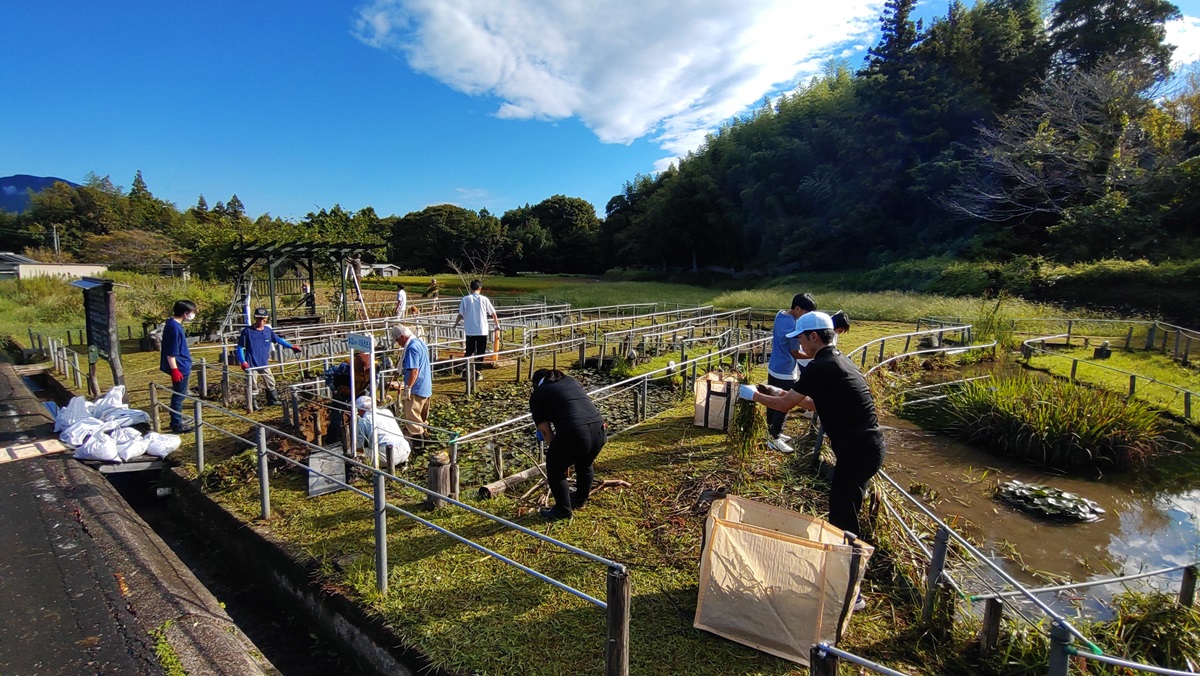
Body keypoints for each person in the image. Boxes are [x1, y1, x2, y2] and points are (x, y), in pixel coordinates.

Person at [739, 311, 885, 538]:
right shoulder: (838, 359)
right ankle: (849, 552)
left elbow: (785, 406)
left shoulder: (820, 366)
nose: (798, 343)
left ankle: (847, 561)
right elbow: (815, 403)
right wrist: (780, 391)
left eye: (801, 338)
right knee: (847, 503)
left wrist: (753, 396)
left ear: (814, 337)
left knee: (842, 513)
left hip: (858, 451)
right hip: (867, 446)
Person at [529, 368, 608, 521]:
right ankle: (580, 499)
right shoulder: (570, 381)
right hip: (599, 429)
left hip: (576, 431)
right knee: (585, 463)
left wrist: (556, 454)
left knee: (554, 468)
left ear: (536, 383)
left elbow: (546, 432)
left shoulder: (538, 394)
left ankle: (563, 510)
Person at [765, 293, 817, 453]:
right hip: (786, 371)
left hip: (773, 366)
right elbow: (795, 352)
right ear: (797, 308)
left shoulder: (780, 315)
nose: (806, 317)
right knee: (785, 404)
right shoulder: (795, 327)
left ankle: (770, 432)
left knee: (771, 400)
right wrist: (814, 355)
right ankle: (775, 437)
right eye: (806, 313)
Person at [237, 307, 301, 406]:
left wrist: (291, 346)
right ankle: (253, 404)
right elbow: (240, 346)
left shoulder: (268, 331)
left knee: (270, 381)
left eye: (263, 319)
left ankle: (272, 400)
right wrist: (242, 361)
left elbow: (278, 340)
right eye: (259, 319)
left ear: (266, 319)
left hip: (264, 362)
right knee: (252, 384)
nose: (261, 321)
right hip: (251, 363)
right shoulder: (247, 331)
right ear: (255, 318)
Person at [389, 325, 432, 447]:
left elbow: (414, 370)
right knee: (421, 420)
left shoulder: (412, 348)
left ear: (402, 337)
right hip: (426, 387)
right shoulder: (419, 342)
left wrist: (408, 387)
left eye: (397, 340)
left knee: (413, 421)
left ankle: (419, 447)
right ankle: (427, 444)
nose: (398, 343)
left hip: (416, 388)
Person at [160, 300, 197, 433]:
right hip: (180, 367)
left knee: (179, 395)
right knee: (179, 396)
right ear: (186, 313)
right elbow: (171, 352)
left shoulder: (173, 324)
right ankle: (177, 423)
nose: (193, 315)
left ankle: (177, 419)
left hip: (182, 364)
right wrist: (175, 369)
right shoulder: (174, 328)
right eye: (192, 313)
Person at [453, 279, 498, 381]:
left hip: (470, 330)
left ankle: (465, 371)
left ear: (470, 288)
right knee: (480, 352)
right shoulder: (484, 299)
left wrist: (456, 324)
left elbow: (460, 314)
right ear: (480, 288)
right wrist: (497, 324)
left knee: (469, 351)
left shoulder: (465, 299)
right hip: (482, 330)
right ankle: (477, 372)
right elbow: (493, 313)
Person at [353, 395, 412, 468]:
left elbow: (359, 444)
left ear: (361, 410)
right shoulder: (387, 412)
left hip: (387, 458)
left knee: (357, 453)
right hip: (405, 451)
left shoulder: (363, 420)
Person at [330, 352, 373, 449]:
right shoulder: (346, 366)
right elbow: (329, 373)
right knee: (336, 418)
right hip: (343, 393)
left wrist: (371, 392)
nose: (364, 370)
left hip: (360, 392)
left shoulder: (375, 365)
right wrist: (334, 389)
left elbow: (376, 378)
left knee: (362, 416)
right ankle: (333, 441)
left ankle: (360, 439)